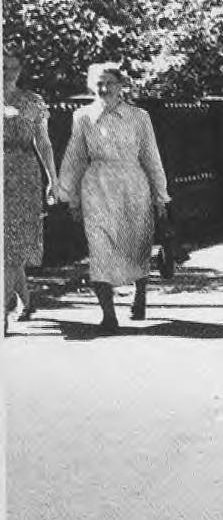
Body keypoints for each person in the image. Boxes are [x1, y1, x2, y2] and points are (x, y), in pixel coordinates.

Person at [54, 63, 170, 332]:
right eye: (99, 83)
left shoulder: (139, 117)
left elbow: (151, 157)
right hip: (97, 188)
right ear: (91, 86)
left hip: (133, 186)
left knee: (137, 244)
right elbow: (75, 156)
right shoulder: (82, 117)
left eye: (110, 83)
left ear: (121, 85)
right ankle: (109, 315)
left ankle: (140, 295)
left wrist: (160, 196)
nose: (104, 89)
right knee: (99, 249)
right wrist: (70, 196)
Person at [3, 49, 59, 329]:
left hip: (24, 176)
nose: (7, 73)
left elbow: (44, 143)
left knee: (13, 245)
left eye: (13, 67)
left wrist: (53, 178)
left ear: (21, 70)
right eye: (2, 67)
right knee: (7, 246)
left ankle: (2, 314)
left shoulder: (32, 102)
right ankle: (26, 300)